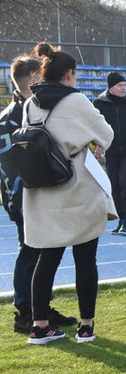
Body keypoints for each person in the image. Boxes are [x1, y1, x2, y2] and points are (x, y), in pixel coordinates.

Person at [22, 43, 116, 345]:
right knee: (85, 258)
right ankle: (86, 325)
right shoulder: (76, 100)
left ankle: (39, 326)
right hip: (76, 187)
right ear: (69, 75)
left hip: (42, 190)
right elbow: (107, 134)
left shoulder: (30, 104)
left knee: (46, 259)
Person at [0, 55, 75, 333]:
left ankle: (40, 305)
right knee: (32, 252)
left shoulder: (19, 110)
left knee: (41, 252)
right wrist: (14, 199)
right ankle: (25, 311)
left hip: (26, 191)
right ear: (33, 78)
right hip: (26, 194)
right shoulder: (17, 114)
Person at [93, 71, 126, 235]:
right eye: (120, 85)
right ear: (111, 87)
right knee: (114, 186)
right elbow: (96, 128)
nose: (124, 88)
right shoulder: (99, 104)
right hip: (112, 150)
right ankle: (121, 217)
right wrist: (98, 146)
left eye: (125, 85)